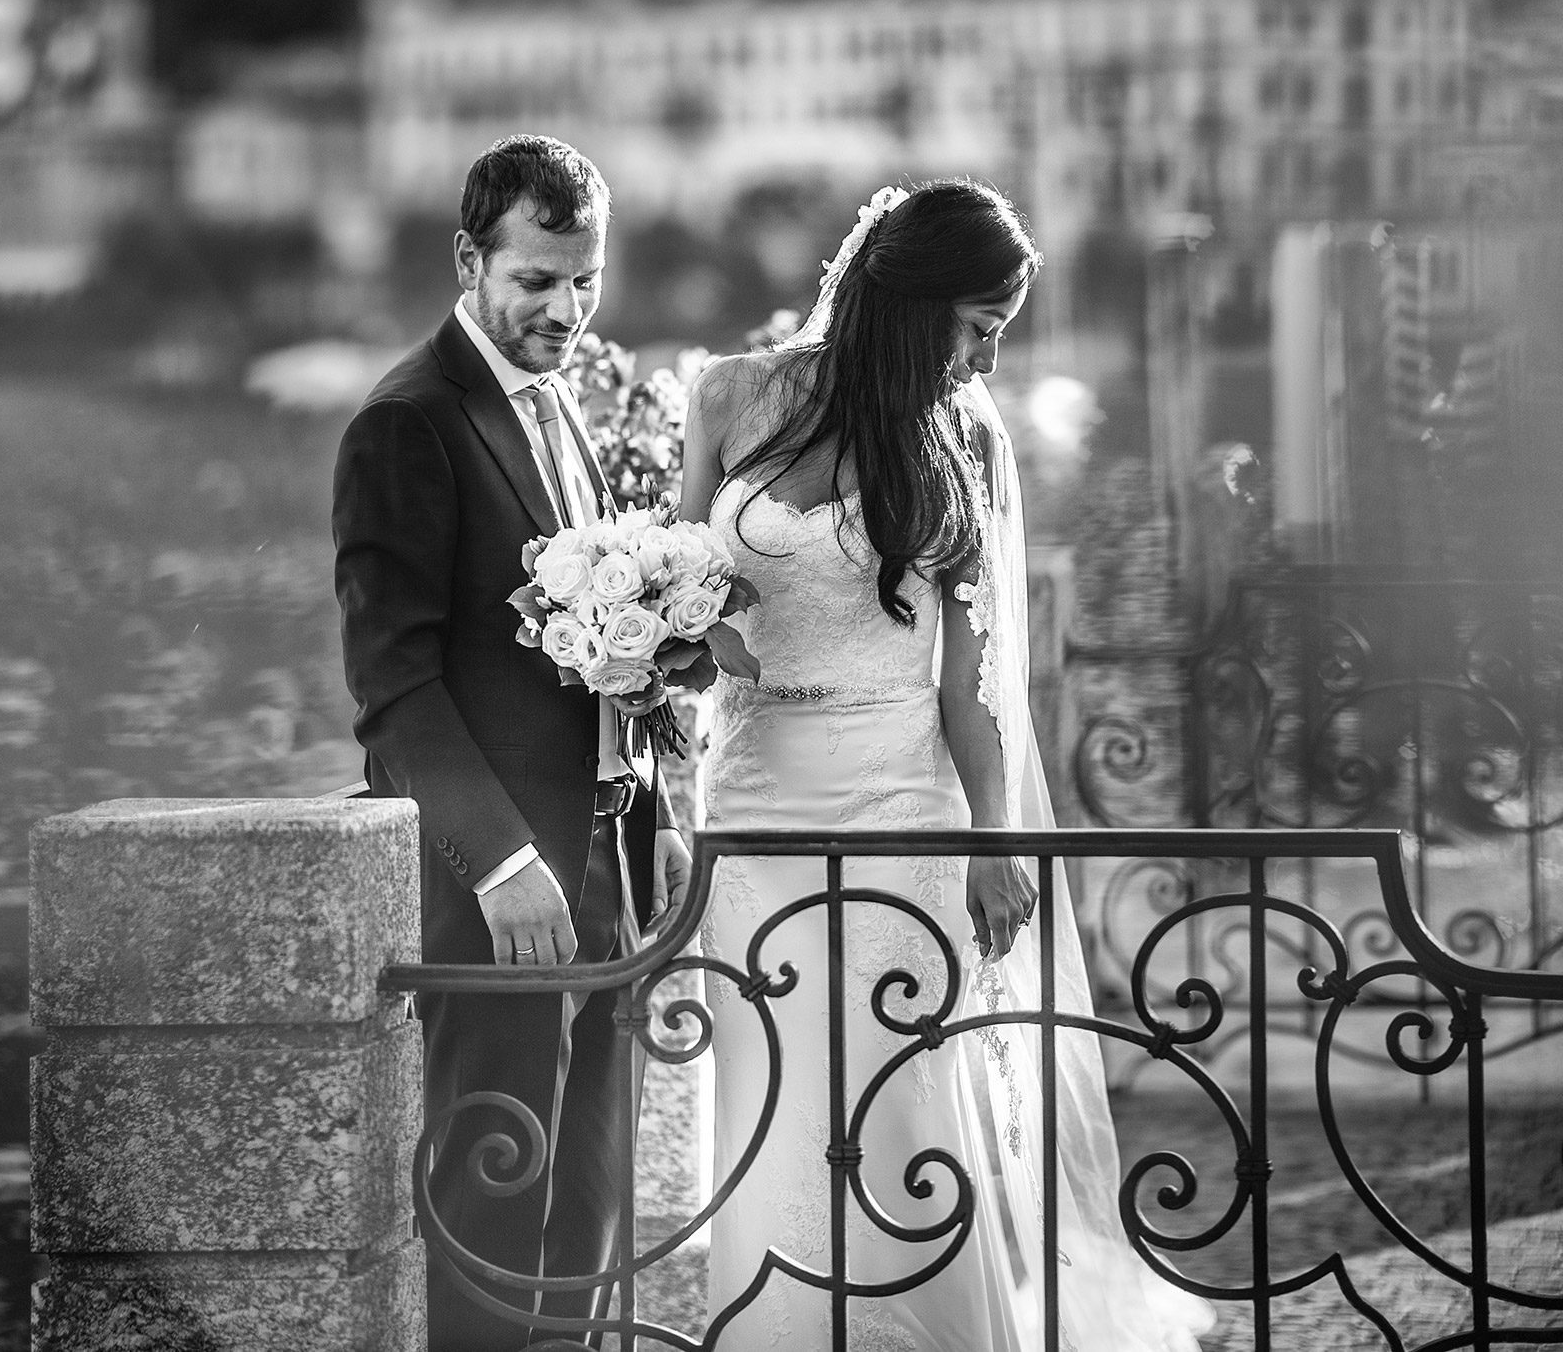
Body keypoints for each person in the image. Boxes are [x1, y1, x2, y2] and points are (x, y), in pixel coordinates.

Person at [677, 180, 1212, 1350]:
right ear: (909, 305)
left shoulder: (960, 435)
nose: (981, 361)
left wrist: (987, 842)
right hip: (753, 799)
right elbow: (685, 588)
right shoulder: (728, 394)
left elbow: (974, 682)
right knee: (770, 1101)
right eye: (976, 327)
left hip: (899, 800)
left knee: (899, 1100)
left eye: (999, 335)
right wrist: (651, 634)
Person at [332, 135, 691, 1351]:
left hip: (608, 862)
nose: (565, 308)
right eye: (535, 279)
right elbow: (394, 686)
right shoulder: (407, 422)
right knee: (494, 1201)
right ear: (468, 259)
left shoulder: (558, 406)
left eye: (584, 279)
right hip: (501, 892)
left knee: (589, 1200)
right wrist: (495, 858)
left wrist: (653, 773)